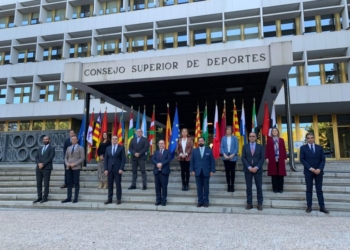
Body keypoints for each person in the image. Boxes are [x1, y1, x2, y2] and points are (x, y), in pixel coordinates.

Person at [300, 132, 329, 214]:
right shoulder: (303, 148)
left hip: (319, 172)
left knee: (319, 189)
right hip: (308, 172)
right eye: (308, 138)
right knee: (309, 189)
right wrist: (311, 168)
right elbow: (302, 159)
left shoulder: (319, 148)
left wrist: (319, 168)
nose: (310, 139)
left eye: (312, 137)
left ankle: (322, 207)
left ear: (314, 138)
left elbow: (323, 159)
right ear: (306, 139)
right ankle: (309, 206)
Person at [241, 132, 264, 211]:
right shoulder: (245, 146)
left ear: (256, 137)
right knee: (248, 187)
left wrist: (257, 167)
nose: (252, 137)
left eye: (253, 136)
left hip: (258, 170)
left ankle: (260, 203)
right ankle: (249, 203)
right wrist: (249, 167)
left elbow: (262, 158)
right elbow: (243, 158)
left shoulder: (260, 147)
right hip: (248, 170)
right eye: (250, 136)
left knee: (259, 187)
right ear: (248, 137)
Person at [190, 137, 215, 208]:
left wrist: (212, 170)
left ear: (204, 142)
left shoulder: (209, 150)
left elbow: (212, 161)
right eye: (199, 141)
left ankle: (206, 202)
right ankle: (200, 202)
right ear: (198, 142)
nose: (200, 142)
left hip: (206, 171)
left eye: (202, 141)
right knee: (199, 188)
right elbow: (192, 161)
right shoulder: (194, 151)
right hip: (197, 172)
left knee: (206, 188)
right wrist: (192, 170)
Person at [62, 136, 85, 204]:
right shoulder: (68, 148)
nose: (74, 140)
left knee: (76, 183)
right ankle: (69, 197)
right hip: (68, 167)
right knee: (69, 183)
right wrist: (67, 163)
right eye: (72, 139)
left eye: (75, 139)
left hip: (76, 167)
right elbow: (65, 157)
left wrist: (75, 164)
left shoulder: (80, 148)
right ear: (71, 140)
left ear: (77, 140)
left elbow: (82, 158)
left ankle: (75, 198)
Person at [103, 136, 126, 205]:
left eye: (116, 139)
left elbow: (123, 159)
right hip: (110, 169)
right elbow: (106, 159)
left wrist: (121, 168)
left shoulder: (121, 148)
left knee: (118, 184)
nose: (114, 140)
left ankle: (118, 199)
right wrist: (106, 169)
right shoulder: (108, 148)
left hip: (118, 169)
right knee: (110, 185)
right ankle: (109, 199)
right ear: (111, 140)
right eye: (113, 139)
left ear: (117, 140)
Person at [33, 136, 55, 203]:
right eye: (44, 139)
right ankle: (39, 197)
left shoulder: (52, 148)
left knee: (46, 183)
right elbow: (36, 157)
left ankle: (45, 197)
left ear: (49, 140)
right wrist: (38, 164)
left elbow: (50, 158)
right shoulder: (40, 148)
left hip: (47, 168)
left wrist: (43, 164)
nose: (45, 140)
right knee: (38, 183)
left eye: (46, 139)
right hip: (38, 168)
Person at [265, 128, 287, 193]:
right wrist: (267, 157)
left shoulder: (281, 140)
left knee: (281, 174)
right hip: (272, 159)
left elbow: (284, 149)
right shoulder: (269, 140)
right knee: (274, 174)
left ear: (278, 132)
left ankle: (280, 188)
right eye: (273, 131)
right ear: (271, 133)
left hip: (280, 158)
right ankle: (275, 188)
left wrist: (285, 158)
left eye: (276, 131)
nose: (274, 132)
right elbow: (267, 149)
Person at [152, 140, 172, 206]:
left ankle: (164, 200)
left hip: (164, 172)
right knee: (157, 187)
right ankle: (158, 200)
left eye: (162, 143)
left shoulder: (167, 152)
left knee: (164, 187)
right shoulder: (155, 152)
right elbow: (153, 159)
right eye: (159, 143)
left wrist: (162, 164)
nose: (160, 145)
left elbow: (168, 159)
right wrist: (157, 164)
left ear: (164, 144)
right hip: (157, 172)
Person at [220, 126, 238, 192]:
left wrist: (233, 154)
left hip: (233, 156)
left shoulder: (235, 138)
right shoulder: (223, 138)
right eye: (227, 130)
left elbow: (237, 147)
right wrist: (224, 154)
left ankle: (232, 185)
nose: (228, 131)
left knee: (232, 172)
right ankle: (228, 185)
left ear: (231, 131)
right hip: (225, 156)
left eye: (230, 130)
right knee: (227, 172)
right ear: (226, 131)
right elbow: (221, 147)